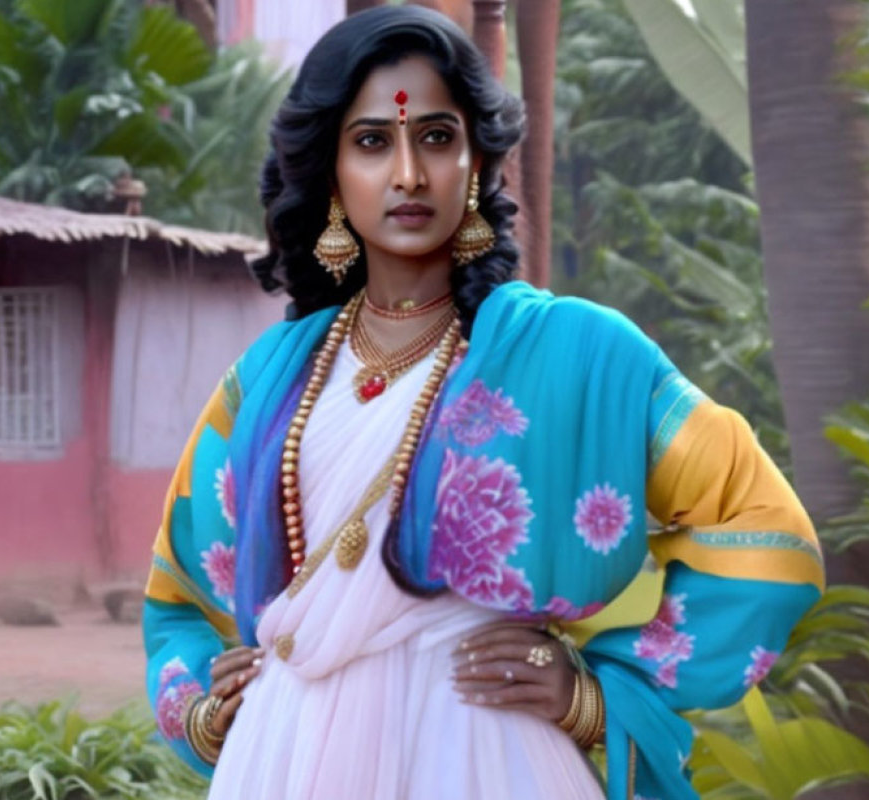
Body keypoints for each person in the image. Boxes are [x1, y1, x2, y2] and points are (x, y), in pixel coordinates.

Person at [142, 6, 824, 799]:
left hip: (479, 750)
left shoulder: (575, 352)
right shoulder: (268, 379)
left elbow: (768, 531)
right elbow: (179, 589)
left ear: (477, 160)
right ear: (329, 172)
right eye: (372, 142)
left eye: (436, 137)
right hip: (284, 756)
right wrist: (200, 709)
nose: (408, 173)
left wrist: (599, 697)